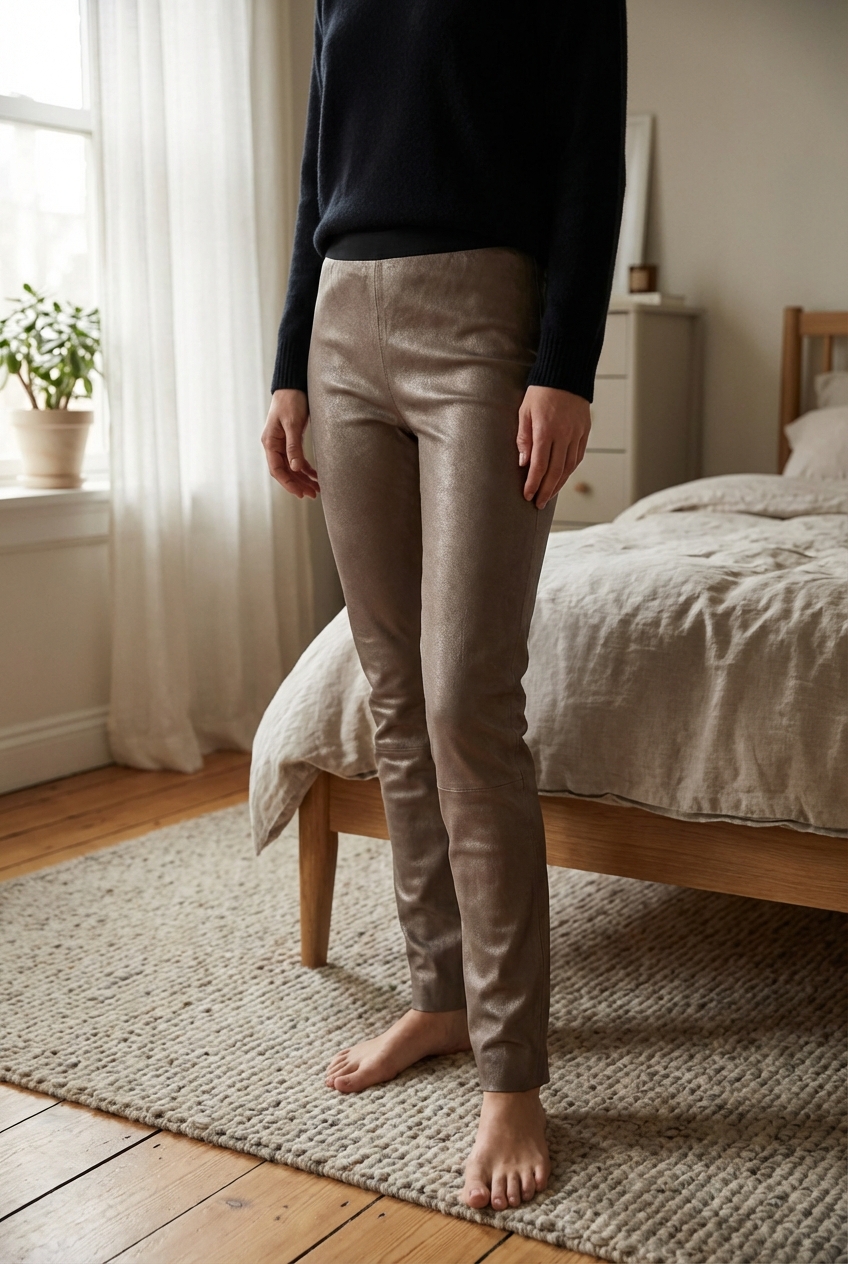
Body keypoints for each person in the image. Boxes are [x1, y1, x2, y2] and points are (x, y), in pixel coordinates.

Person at [262, 0, 626, 1213]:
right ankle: (439, 993)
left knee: (467, 691)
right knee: (391, 689)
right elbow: (320, 163)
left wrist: (565, 364)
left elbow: (587, 147)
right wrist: (283, 364)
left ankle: (513, 1071)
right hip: (340, 329)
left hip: (486, 316)